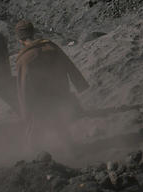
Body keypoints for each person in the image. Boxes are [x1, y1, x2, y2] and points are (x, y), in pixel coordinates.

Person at [13, 19, 89, 152]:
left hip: (40, 99)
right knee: (59, 121)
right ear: (34, 32)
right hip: (60, 92)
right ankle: (71, 148)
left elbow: (22, 87)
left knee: (35, 128)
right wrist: (80, 84)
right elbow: (69, 65)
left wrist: (25, 110)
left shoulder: (24, 59)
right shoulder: (51, 46)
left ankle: (37, 156)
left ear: (19, 39)